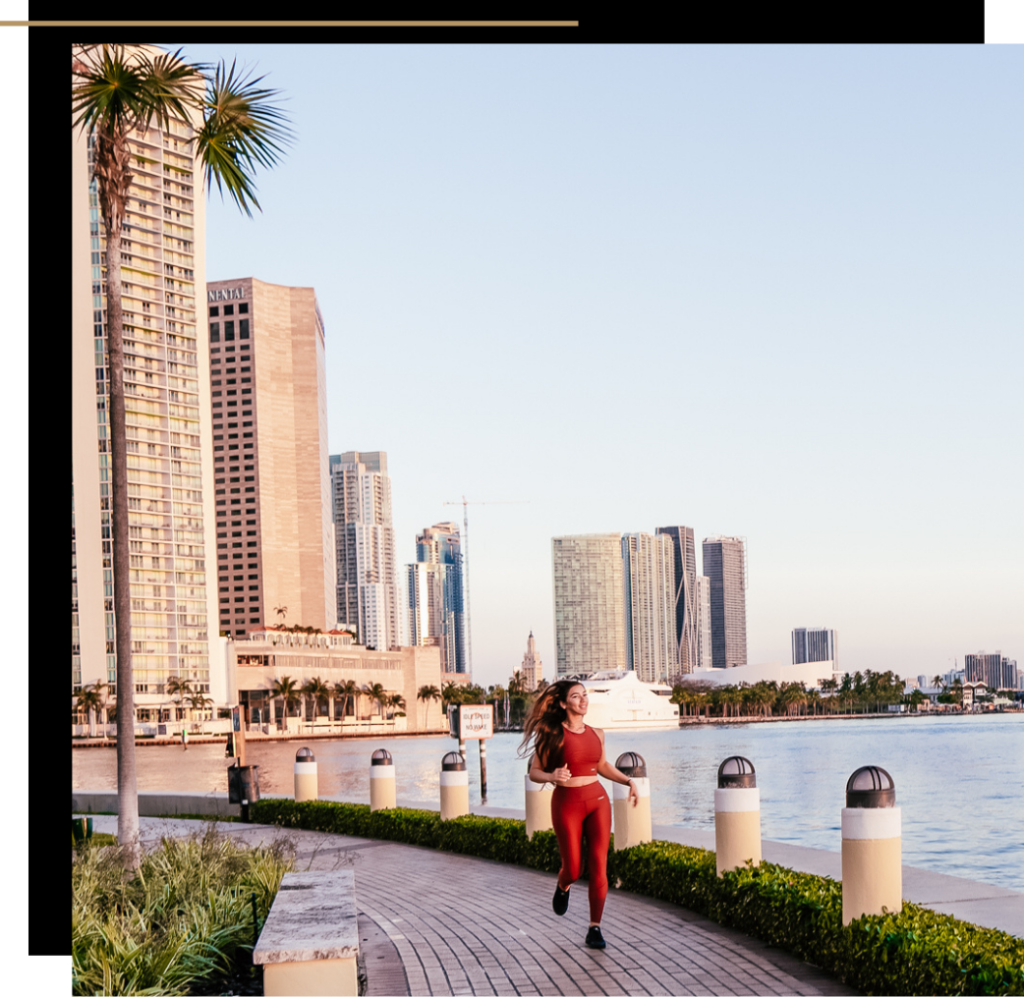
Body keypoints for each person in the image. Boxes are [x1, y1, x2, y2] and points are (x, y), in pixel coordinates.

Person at [520, 679, 639, 949]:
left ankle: (594, 927)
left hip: (597, 801)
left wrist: (628, 781)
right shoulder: (552, 733)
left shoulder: (597, 733)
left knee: (599, 864)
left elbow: (602, 765)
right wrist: (552, 775)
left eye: (585, 695)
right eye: (576, 696)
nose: (583, 700)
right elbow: (534, 772)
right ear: (564, 704)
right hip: (567, 804)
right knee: (573, 868)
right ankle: (563, 885)